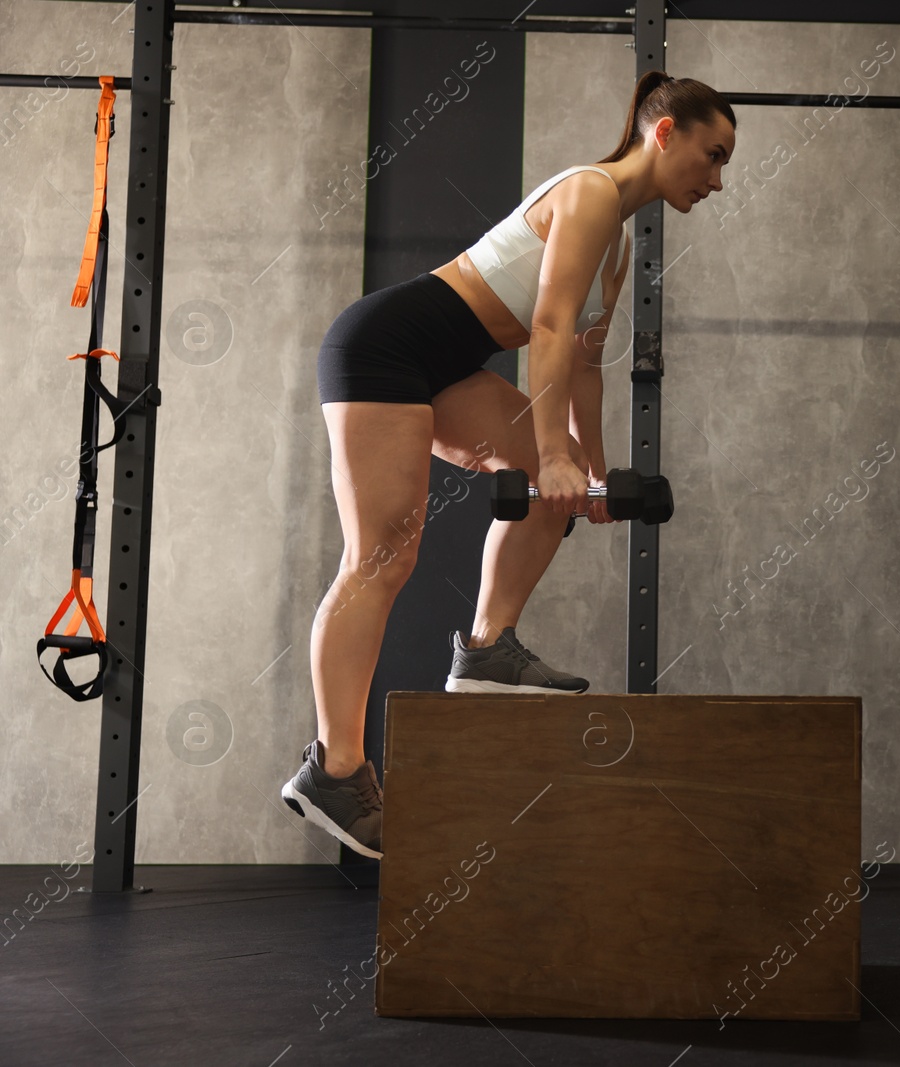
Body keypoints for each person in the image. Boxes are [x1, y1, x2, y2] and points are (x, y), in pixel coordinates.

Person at [279, 71, 737, 859]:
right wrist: (555, 453)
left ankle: (488, 647)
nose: (718, 179)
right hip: (385, 345)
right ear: (665, 134)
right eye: (714, 153)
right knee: (384, 555)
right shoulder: (591, 193)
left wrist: (589, 473)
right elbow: (552, 326)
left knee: (544, 489)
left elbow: (586, 366)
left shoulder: (619, 240)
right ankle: (335, 767)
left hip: (450, 363)